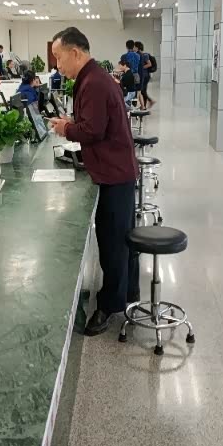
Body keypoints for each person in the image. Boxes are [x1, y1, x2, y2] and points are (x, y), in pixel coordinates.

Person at [49, 26, 139, 337]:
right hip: (116, 170)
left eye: (59, 57)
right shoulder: (92, 78)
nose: (57, 65)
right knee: (120, 239)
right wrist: (73, 123)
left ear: (75, 52)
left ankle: (110, 306)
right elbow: (95, 123)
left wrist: (65, 129)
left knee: (113, 243)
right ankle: (127, 293)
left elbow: (93, 131)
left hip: (114, 174)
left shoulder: (94, 83)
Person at [135, 40, 155, 109]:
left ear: (138, 47)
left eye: (134, 47)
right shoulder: (138, 55)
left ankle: (146, 104)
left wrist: (141, 67)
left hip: (145, 76)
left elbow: (149, 64)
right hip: (143, 75)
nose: (134, 48)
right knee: (142, 90)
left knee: (142, 91)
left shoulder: (144, 55)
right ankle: (145, 105)